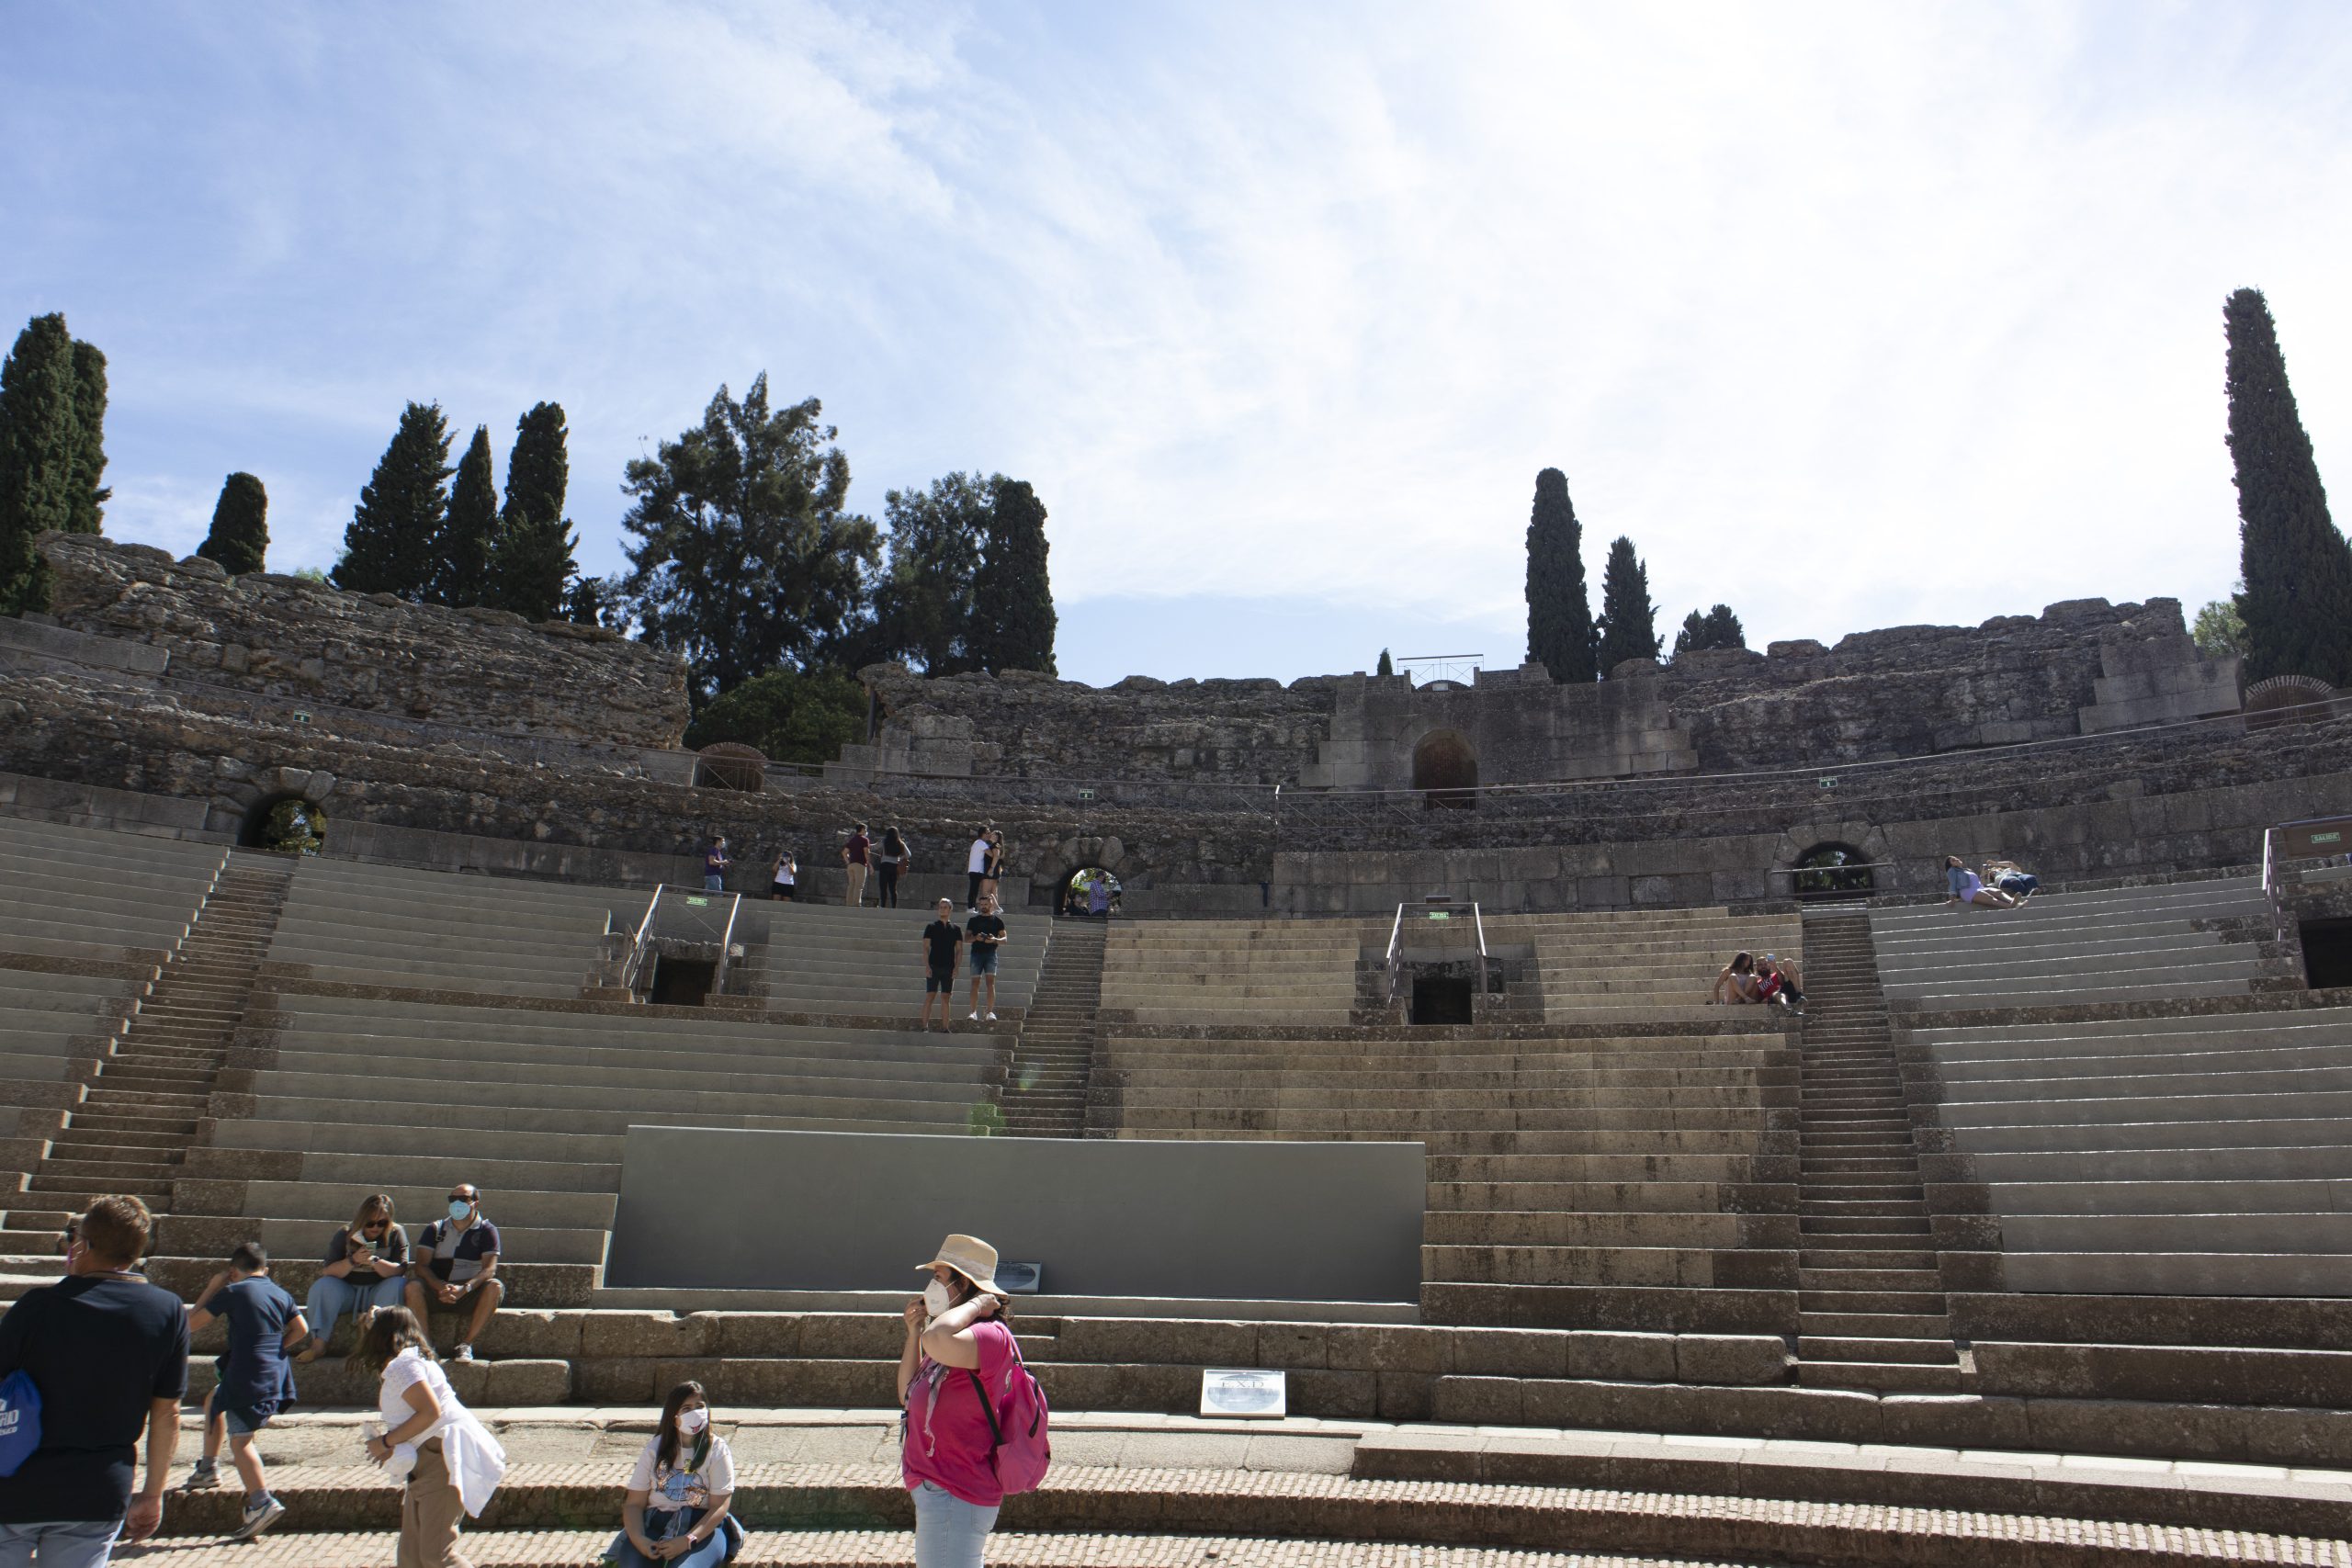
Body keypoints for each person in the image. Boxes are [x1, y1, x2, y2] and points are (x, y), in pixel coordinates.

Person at [0, 1195, 188, 1565]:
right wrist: (152, 1494)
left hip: (15, 1482)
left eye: (73, 1238)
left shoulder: (36, 1307)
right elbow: (167, 1412)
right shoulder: (167, 1311)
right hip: (97, 1489)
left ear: (83, 1246)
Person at [356, 1305, 507, 1568]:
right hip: (428, 1460)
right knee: (411, 1558)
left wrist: (384, 1442)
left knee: (436, 1556)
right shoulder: (409, 1362)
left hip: (440, 1458)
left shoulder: (404, 1365)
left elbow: (429, 1412)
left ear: (381, 1335)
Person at [899, 1234, 1016, 1568]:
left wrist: (980, 1303)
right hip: (940, 1489)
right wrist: (913, 1334)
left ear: (963, 1284)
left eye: (938, 1277)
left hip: (956, 1491)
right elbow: (908, 1394)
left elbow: (936, 1338)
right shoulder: (952, 1336)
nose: (931, 1286)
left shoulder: (987, 1334)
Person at [180, 1243, 304, 1539]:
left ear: (233, 1272)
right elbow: (301, 1329)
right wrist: (273, 1351)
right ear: (266, 1269)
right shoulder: (280, 1293)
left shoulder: (233, 1291)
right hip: (274, 1376)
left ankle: (261, 1501)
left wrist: (211, 1288)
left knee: (241, 1442)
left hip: (247, 1377)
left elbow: (189, 1325)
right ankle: (208, 1469)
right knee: (214, 1400)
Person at [605, 1382, 739, 1568]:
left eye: (700, 1407)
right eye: (687, 1409)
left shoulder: (717, 1449)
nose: (695, 1413)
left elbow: (719, 1507)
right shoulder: (655, 1449)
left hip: (702, 1529)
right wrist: (640, 1540)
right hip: (655, 1525)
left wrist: (687, 1540)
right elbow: (634, 1504)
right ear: (674, 1417)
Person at [298, 1193, 409, 1364]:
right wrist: (353, 1260)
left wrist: (375, 1262)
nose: (376, 1227)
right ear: (362, 1220)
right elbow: (328, 1270)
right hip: (347, 1291)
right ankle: (318, 1344)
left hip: (379, 1291)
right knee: (323, 1286)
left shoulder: (396, 1233)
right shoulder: (344, 1233)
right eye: (370, 1223)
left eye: (382, 1223)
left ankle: (384, 1347)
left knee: (398, 1284)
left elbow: (400, 1270)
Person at [405, 1184, 503, 1361]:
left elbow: (489, 1269)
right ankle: (425, 1346)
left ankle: (466, 1344)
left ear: (475, 1203)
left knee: (495, 1287)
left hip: (469, 1291)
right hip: (438, 1289)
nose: (458, 1203)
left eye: (464, 1199)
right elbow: (421, 1266)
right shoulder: (435, 1229)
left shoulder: (487, 1230)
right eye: (453, 1199)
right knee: (412, 1287)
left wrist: (464, 1289)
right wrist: (441, 1287)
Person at [920, 898, 966, 1032]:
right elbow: (926, 948)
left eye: (945, 907)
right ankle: (924, 1026)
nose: (942, 909)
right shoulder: (931, 927)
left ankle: (945, 1027)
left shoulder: (956, 929)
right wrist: (927, 966)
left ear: (950, 909)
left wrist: (956, 968)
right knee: (930, 995)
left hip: (948, 967)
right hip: (934, 966)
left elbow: (959, 950)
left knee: (946, 997)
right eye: (940, 907)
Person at [966, 894, 1008, 1023]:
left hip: (991, 954)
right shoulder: (973, 920)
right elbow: (966, 938)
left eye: (986, 904)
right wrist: (976, 938)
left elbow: (1005, 939)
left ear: (991, 905)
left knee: (991, 984)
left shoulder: (997, 921)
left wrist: (994, 940)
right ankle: (973, 1012)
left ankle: (989, 1011)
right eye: (982, 904)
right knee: (975, 984)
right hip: (976, 954)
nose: (983, 907)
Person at [1943, 853, 2019, 909]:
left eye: (1956, 858)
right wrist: (1952, 899)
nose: (1956, 859)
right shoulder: (1952, 871)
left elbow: (1977, 882)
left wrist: (1983, 874)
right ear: (1951, 865)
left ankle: (2016, 903)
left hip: (1980, 888)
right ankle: (2010, 906)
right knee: (1989, 898)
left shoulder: (1967, 870)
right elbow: (1952, 885)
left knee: (1998, 892)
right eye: (1953, 860)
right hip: (1968, 891)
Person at [876, 828, 910, 909]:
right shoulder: (901, 843)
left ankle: (883, 906)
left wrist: (866, 845)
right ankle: (893, 907)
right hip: (894, 867)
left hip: (884, 866)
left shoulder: (884, 841)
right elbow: (908, 854)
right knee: (893, 888)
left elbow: (875, 847)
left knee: (883, 887)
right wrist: (899, 859)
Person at [843, 822, 872, 907]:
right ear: (862, 829)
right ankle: (857, 904)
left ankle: (849, 903)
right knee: (859, 885)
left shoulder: (852, 840)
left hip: (851, 865)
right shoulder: (864, 840)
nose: (866, 831)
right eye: (866, 829)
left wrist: (848, 862)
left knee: (851, 884)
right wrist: (870, 864)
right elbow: (866, 853)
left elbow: (844, 853)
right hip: (860, 865)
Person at [965, 828, 991, 912]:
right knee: (973, 890)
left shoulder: (977, 843)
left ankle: (971, 907)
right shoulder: (981, 844)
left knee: (974, 890)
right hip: (976, 870)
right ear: (983, 834)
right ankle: (970, 907)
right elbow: (991, 854)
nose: (989, 834)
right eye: (987, 833)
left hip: (974, 870)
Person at [978, 830, 1004, 908]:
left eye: (992, 834)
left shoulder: (995, 845)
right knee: (993, 892)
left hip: (991, 870)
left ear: (996, 837)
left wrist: (991, 868)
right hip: (995, 871)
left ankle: (997, 908)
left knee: (985, 892)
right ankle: (994, 910)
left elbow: (996, 856)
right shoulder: (997, 845)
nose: (990, 835)